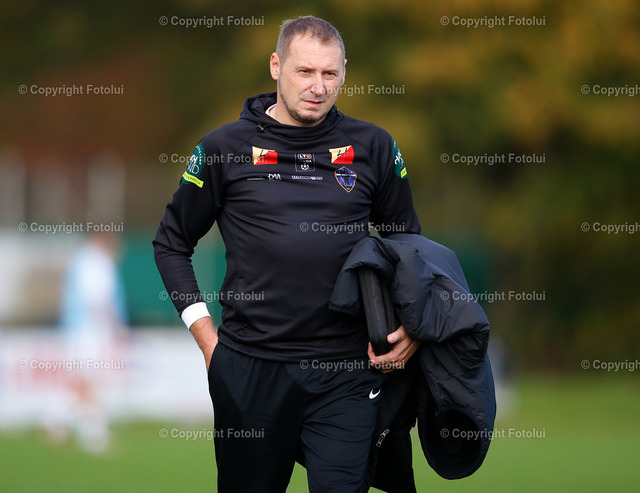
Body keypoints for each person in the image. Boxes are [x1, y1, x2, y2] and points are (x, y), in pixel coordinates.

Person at [154, 15, 421, 492]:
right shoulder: (224, 148)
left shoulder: (374, 146)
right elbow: (172, 243)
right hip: (250, 369)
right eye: (305, 71)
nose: (318, 86)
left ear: (344, 73)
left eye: (330, 73)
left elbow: (409, 247)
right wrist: (209, 343)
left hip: (346, 373)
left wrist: (412, 328)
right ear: (276, 66)